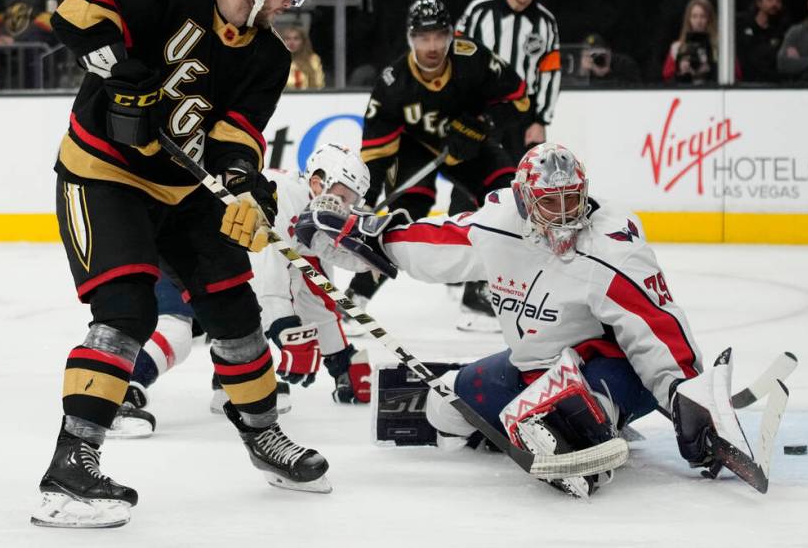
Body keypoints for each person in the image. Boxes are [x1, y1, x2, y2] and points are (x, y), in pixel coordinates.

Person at [31, 0, 327, 529]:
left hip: (183, 187)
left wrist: (245, 189)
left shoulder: (269, 54)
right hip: (102, 174)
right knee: (127, 311)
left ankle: (263, 435)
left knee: (235, 307)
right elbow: (77, 11)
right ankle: (70, 466)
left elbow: (235, 138)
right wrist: (117, 69)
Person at [295, 143, 730, 499]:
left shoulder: (612, 248)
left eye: (571, 200)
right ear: (524, 199)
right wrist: (369, 233)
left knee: (575, 407)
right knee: (445, 409)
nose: (563, 216)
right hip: (532, 368)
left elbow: (655, 324)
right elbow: (438, 243)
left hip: (612, 369)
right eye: (549, 202)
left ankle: (596, 420)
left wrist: (684, 394)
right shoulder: (499, 227)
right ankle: (536, 424)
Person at [108, 143, 376, 438]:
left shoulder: (312, 217)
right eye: (342, 197)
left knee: (241, 321)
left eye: (352, 201)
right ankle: (119, 393)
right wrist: (285, 332)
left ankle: (227, 387)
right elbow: (266, 277)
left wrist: (340, 361)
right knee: (178, 332)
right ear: (316, 183)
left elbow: (314, 293)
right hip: (183, 251)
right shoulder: (284, 196)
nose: (346, 208)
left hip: (217, 267)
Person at [345, 0, 530, 335]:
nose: (431, 46)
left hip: (469, 141)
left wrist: (484, 122)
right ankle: (356, 297)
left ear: (451, 35)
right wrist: (367, 203)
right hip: (414, 148)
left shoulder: (472, 58)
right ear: (410, 39)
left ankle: (485, 293)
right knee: (402, 216)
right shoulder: (393, 84)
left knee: (510, 198)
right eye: (423, 38)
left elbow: (519, 100)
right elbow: (375, 154)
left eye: (438, 37)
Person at [456, 0, 559, 158]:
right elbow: (455, 60)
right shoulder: (479, 11)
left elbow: (550, 74)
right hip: (480, 108)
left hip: (523, 115)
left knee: (524, 183)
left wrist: (540, 121)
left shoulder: (546, 22)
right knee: (470, 183)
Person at [663, 0, 718, 85]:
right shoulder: (677, 48)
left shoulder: (723, 48)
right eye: (694, 16)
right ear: (688, 19)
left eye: (703, 16)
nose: (698, 21)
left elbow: (735, 77)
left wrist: (712, 69)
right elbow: (667, 80)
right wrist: (680, 71)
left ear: (709, 19)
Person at [737, 0, 784, 83]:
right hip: (744, 85)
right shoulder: (742, 25)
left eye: (778, 0)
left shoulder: (781, 31)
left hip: (772, 84)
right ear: (759, 2)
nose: (774, 4)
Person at [577, 32, 641, 86]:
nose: (597, 58)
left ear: (609, 52)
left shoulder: (624, 63)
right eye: (591, 55)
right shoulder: (578, 67)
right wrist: (583, 74)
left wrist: (608, 73)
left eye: (600, 54)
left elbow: (635, 89)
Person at [281, 22, 325, 89]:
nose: (291, 42)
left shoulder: (312, 59)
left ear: (303, 41)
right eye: (288, 39)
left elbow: (318, 86)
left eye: (296, 39)